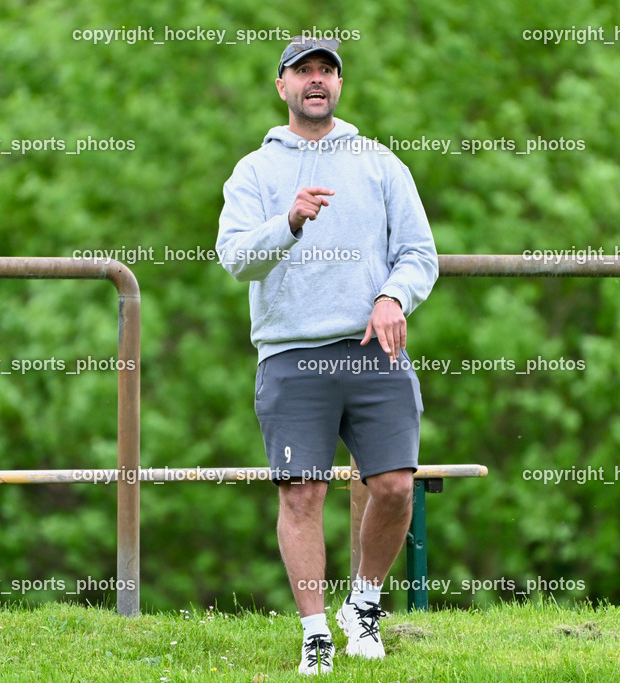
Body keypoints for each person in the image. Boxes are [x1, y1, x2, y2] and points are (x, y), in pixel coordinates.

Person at [217, 36, 438, 675]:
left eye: (327, 72)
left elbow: (420, 253)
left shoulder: (380, 163)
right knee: (302, 495)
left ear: (339, 86)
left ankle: (362, 607)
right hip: (290, 355)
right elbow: (236, 260)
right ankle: (315, 632)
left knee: (396, 487)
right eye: (303, 72)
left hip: (374, 350)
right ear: (281, 86)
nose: (316, 81)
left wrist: (394, 296)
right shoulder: (254, 173)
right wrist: (287, 221)